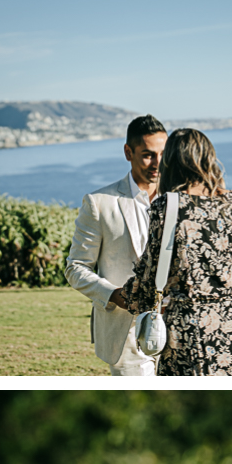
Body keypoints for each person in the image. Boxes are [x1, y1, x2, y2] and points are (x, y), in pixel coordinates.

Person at [109, 128, 232, 376]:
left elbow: (149, 280)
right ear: (209, 159)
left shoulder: (170, 206)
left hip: (195, 330)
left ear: (170, 162)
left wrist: (112, 295)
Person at [65, 115, 168, 375]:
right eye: (147, 155)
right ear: (128, 152)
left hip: (179, 330)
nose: (157, 163)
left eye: (162, 154)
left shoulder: (181, 200)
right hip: (126, 336)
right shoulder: (99, 203)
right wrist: (114, 295)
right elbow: (76, 267)